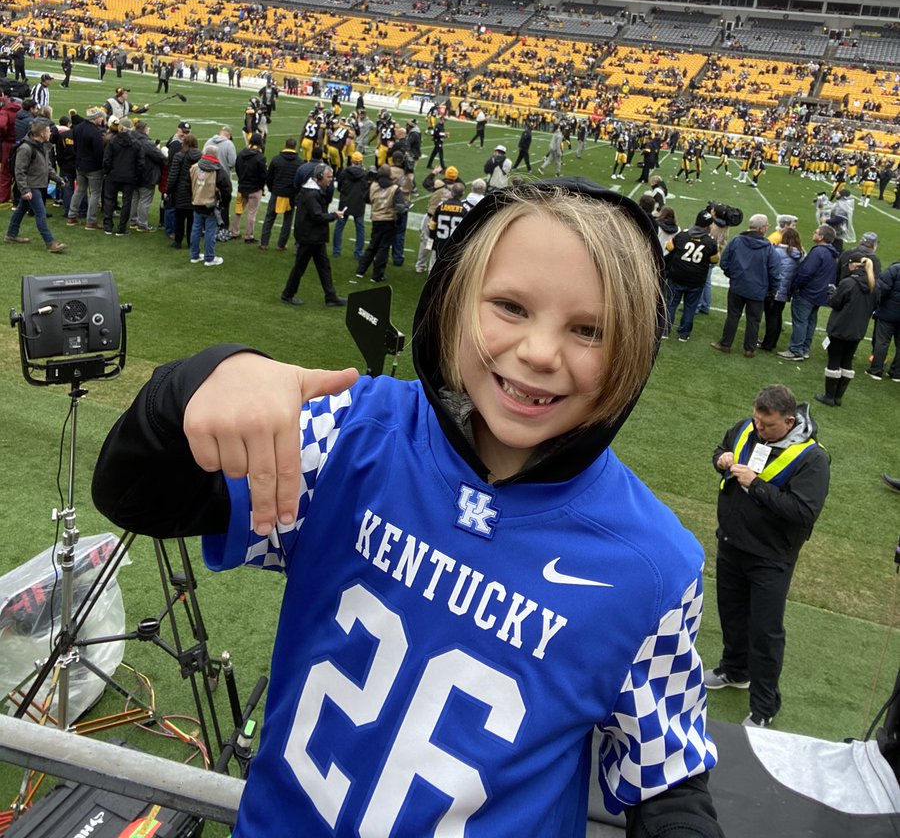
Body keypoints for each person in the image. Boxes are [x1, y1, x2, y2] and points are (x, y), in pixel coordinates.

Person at [92, 179, 723, 837]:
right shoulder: (354, 432)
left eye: (588, 329)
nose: (539, 352)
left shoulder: (652, 567)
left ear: (633, 353)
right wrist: (195, 382)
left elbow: (666, 783)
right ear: (451, 303)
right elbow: (136, 496)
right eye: (509, 307)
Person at [705, 385, 830, 728]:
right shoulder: (747, 427)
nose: (758, 429)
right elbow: (721, 447)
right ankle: (735, 671)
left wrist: (756, 484)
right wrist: (722, 460)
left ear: (789, 421)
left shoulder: (813, 459)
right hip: (732, 542)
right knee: (731, 614)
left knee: (765, 632)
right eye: (757, 420)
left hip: (771, 558)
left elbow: (803, 511)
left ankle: (764, 707)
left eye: (767, 424)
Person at [280, 163, 347, 308]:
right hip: (310, 237)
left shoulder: (310, 191)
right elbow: (317, 216)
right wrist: (334, 215)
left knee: (324, 267)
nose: (330, 180)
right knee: (300, 267)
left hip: (314, 237)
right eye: (328, 177)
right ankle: (287, 294)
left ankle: (331, 296)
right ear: (320, 177)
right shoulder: (312, 194)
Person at [711, 214, 779, 358]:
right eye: (767, 225)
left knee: (733, 316)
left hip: (738, 286)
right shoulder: (768, 248)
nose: (767, 228)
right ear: (761, 228)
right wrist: (773, 290)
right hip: (758, 290)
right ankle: (749, 349)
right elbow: (774, 272)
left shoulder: (737, 241)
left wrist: (734, 276)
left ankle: (725, 344)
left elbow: (724, 262)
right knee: (754, 320)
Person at [815, 257, 876, 407]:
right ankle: (838, 397)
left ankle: (829, 396)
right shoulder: (873, 285)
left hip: (840, 327)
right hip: (858, 330)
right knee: (847, 360)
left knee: (834, 359)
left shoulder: (848, 283)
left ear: (853, 266)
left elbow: (835, 303)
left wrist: (831, 293)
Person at [4, 118, 66, 252]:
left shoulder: (43, 146)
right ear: (42, 133)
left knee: (21, 210)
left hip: (37, 184)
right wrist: (25, 190)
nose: (51, 133)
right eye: (49, 131)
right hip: (31, 186)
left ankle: (11, 234)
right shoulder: (26, 148)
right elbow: (19, 171)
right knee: (41, 213)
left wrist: (58, 179)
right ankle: (50, 243)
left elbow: (47, 167)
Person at [778, 224, 838, 361]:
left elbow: (806, 272)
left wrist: (795, 286)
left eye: (816, 232)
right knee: (810, 322)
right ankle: (804, 349)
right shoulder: (831, 253)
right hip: (820, 293)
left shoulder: (818, 252)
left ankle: (796, 350)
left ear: (821, 237)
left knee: (800, 321)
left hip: (807, 293)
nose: (813, 233)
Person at [663, 210, 720, 341]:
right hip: (696, 280)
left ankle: (665, 330)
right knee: (690, 307)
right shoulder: (710, 242)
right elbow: (715, 260)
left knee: (671, 304)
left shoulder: (682, 235)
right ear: (708, 226)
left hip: (677, 275)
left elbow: (669, 247)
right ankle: (683, 334)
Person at [353, 164, 402, 284]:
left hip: (376, 219)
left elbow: (365, 198)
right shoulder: (394, 188)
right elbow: (400, 206)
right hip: (389, 220)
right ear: (390, 174)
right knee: (383, 248)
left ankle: (361, 270)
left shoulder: (374, 185)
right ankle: (377, 275)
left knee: (372, 245)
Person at [758, 226, 804, 353]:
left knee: (771, 316)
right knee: (777, 316)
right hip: (786, 290)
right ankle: (772, 342)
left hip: (774, 289)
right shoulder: (799, 254)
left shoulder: (777, 252)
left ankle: (767, 343)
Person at [102, 117, 145, 236]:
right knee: (127, 202)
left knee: (109, 200)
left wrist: (107, 171)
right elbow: (140, 162)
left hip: (113, 175)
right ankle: (121, 228)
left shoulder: (113, 141)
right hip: (129, 176)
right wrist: (136, 174)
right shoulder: (136, 143)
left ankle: (108, 226)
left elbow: (107, 159)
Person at [867, 258, 900, 382]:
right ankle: (897, 373)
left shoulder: (895, 269)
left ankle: (876, 370)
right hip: (889, 312)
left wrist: (878, 304)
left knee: (882, 342)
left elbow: (881, 289)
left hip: (888, 314)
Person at [332, 151, 368, 260]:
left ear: (351, 160)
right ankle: (358, 252)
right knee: (360, 229)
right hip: (359, 203)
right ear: (361, 161)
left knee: (339, 226)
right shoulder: (365, 174)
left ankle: (336, 250)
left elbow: (339, 186)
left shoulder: (344, 172)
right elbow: (366, 189)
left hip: (345, 202)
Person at [231, 135, 267, 243]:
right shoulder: (260, 157)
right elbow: (263, 175)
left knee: (238, 210)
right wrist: (261, 186)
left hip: (242, 187)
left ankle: (234, 231)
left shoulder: (241, 153)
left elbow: (237, 168)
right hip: (254, 188)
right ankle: (249, 235)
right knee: (252, 213)